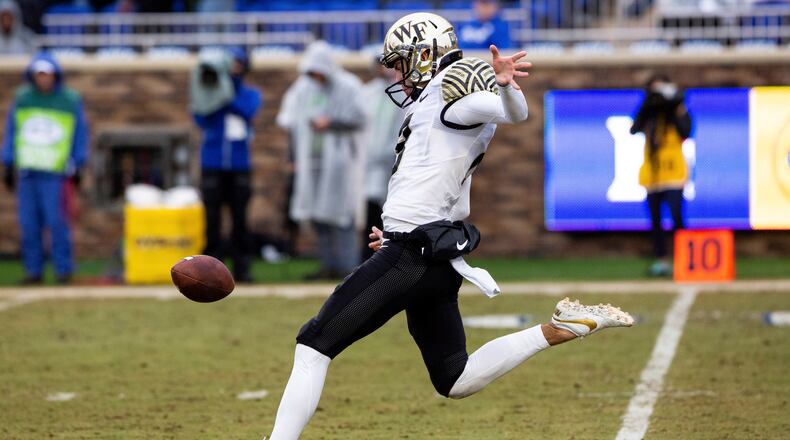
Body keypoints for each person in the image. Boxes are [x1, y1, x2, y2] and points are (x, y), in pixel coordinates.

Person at [266, 13, 634, 439]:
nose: (397, 76)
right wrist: (396, 230)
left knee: (313, 345)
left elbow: (511, 112)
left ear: (425, 54)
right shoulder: (431, 101)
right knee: (455, 378)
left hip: (411, 257)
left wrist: (505, 85)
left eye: (401, 64)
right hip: (429, 253)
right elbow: (438, 183)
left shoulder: (450, 90)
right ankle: (560, 328)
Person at [276, 41, 366, 280]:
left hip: (339, 162)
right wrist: (293, 157)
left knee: (343, 215)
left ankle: (349, 267)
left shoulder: (349, 85)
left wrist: (332, 123)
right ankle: (329, 265)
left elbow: (360, 118)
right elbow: (291, 122)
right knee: (318, 215)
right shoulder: (303, 89)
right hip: (311, 162)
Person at [2, 52, 88, 284]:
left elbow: (79, 133)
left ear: (55, 75)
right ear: (32, 75)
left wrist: (78, 163)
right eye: (39, 74)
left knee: (58, 223)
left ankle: (63, 270)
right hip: (28, 172)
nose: (43, 79)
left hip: (55, 174)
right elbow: (12, 132)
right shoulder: (23, 98)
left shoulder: (69, 100)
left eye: (47, 74)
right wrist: (8, 163)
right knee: (29, 225)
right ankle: (34, 271)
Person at [192, 47, 262, 283]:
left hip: (239, 165)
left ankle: (242, 268)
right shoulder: (208, 93)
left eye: (237, 63)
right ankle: (209, 271)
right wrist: (212, 91)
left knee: (240, 219)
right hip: (212, 163)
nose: (233, 69)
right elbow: (200, 117)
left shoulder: (250, 93)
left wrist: (225, 92)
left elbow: (247, 110)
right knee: (212, 220)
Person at [630, 74, 692, 277]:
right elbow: (634, 129)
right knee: (655, 220)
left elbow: (686, 131)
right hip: (653, 174)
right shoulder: (649, 112)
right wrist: (648, 105)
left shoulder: (677, 110)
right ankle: (662, 259)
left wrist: (673, 107)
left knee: (676, 216)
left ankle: (685, 259)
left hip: (673, 172)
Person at [359, 54, 405, 260]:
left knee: (392, 209)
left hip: (395, 162)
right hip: (370, 162)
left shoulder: (404, 93)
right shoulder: (368, 92)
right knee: (371, 205)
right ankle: (368, 255)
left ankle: (390, 254)